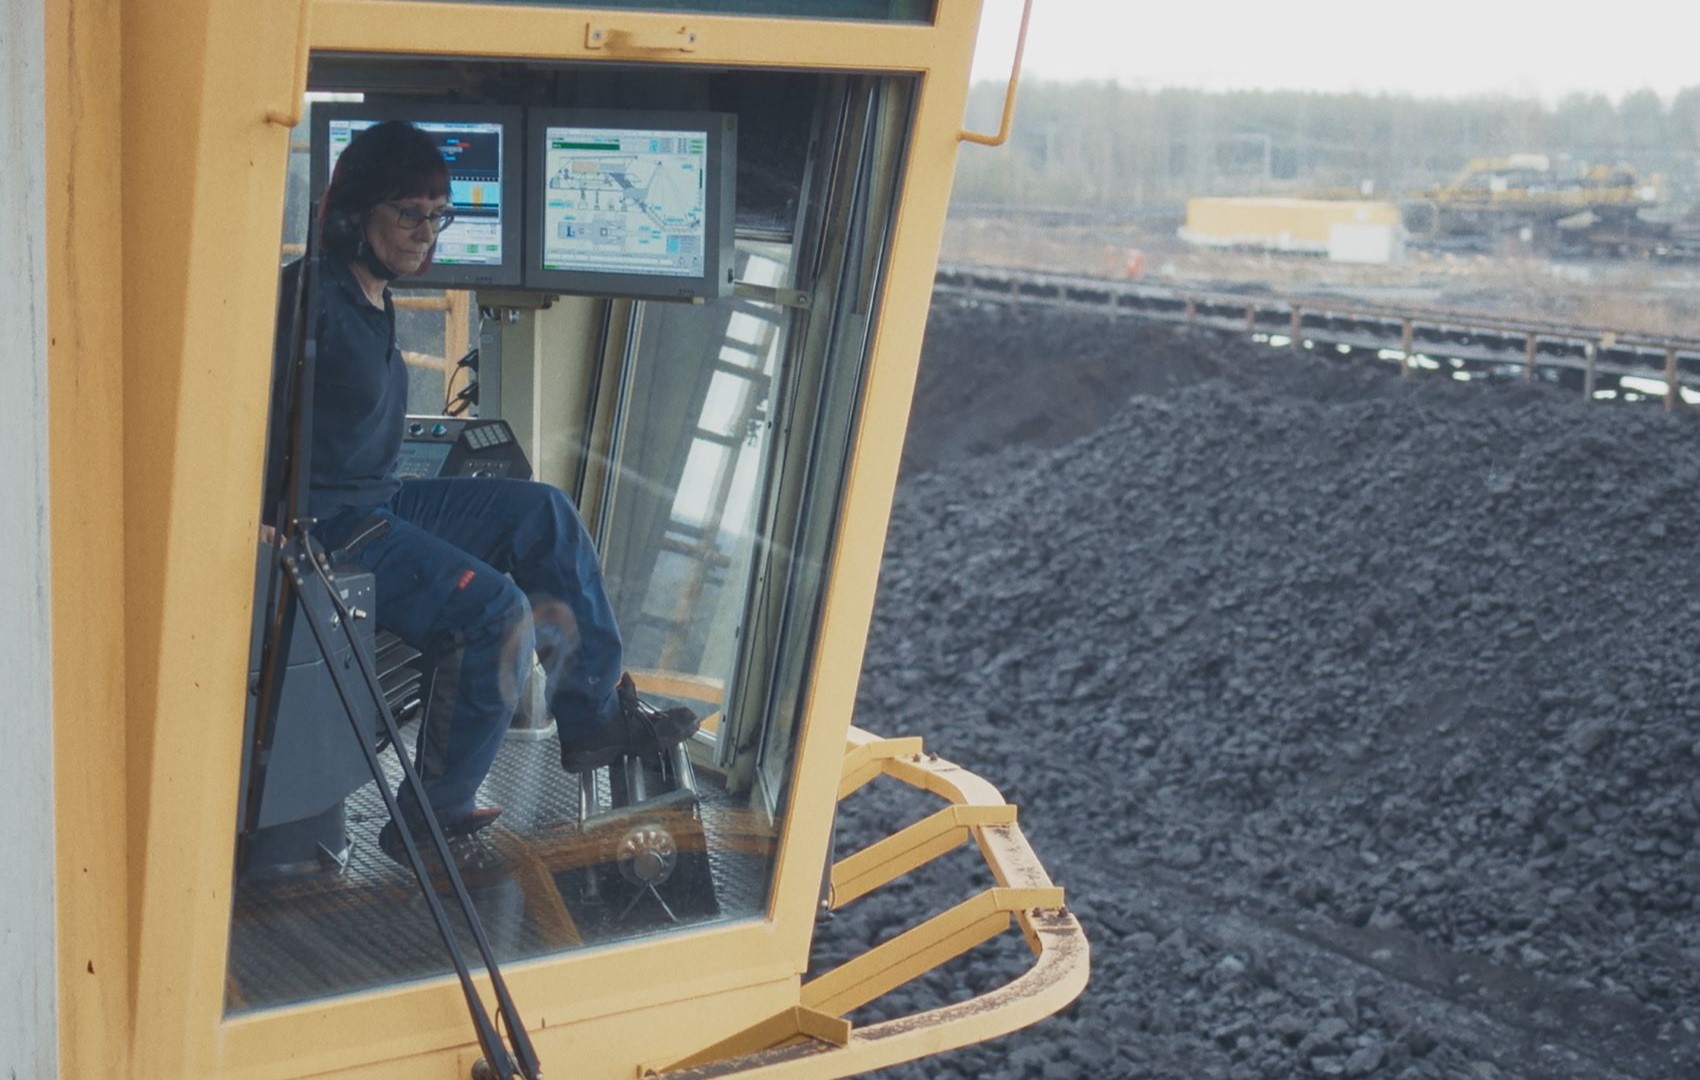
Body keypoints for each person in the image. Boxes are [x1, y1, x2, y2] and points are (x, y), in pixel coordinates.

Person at [269, 120, 699, 865]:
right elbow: (246, 412)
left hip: (379, 496)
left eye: (437, 215)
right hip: (325, 521)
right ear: (351, 214)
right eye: (409, 213)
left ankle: (592, 715)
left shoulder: (372, 293)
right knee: (493, 609)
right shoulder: (309, 301)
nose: (425, 233)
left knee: (543, 515)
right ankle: (429, 818)